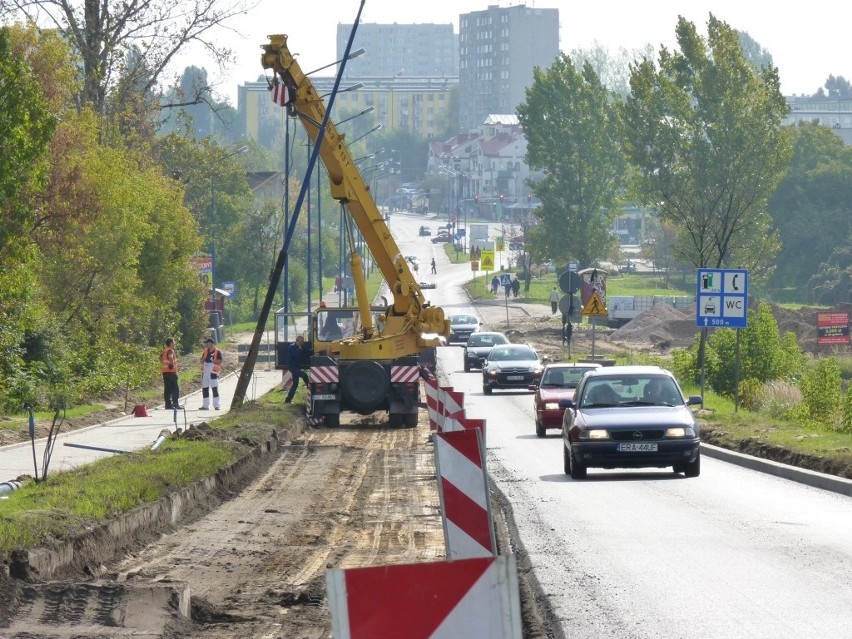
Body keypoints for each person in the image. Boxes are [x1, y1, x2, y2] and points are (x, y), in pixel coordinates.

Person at [285, 335, 311, 404]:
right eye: (301, 342)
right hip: (292, 367)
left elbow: (308, 351)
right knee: (304, 375)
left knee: (295, 384)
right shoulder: (292, 347)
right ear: (297, 341)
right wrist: (299, 349)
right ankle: (310, 387)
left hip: (297, 366)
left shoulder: (301, 346)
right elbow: (297, 355)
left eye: (303, 342)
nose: (302, 343)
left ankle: (288, 400)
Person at [199, 337, 223, 410]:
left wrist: (213, 361)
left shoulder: (217, 351)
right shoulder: (205, 351)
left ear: (211, 343)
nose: (206, 344)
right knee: (205, 388)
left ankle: (216, 405)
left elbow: (220, 361)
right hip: (205, 371)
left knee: (214, 388)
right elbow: (201, 361)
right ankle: (205, 405)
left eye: (207, 343)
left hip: (213, 371)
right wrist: (203, 359)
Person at [160, 338, 182, 409]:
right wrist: (171, 365)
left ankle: (168, 405)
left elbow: (161, 358)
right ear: (171, 343)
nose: (174, 344)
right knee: (175, 388)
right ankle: (175, 403)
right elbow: (170, 357)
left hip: (165, 372)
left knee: (167, 389)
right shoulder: (170, 350)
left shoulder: (164, 350)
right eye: (174, 342)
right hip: (171, 372)